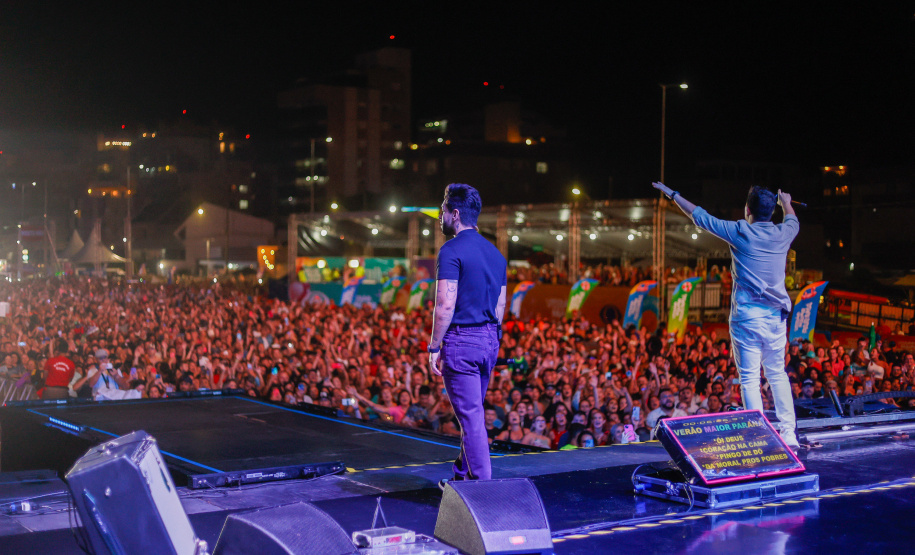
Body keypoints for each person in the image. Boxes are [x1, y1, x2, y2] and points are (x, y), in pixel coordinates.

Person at [652, 182, 801, 448]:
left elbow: (700, 216)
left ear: (747, 210)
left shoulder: (740, 231)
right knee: (777, 373)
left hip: (746, 318)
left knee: (749, 379)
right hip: (775, 319)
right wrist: (786, 202)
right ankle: (789, 434)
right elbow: (791, 217)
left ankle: (758, 435)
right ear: (772, 212)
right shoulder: (784, 233)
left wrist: (673, 194)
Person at [428, 183, 507, 483]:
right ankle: (461, 475)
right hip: (489, 340)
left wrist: (434, 346)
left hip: (462, 341)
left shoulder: (450, 251)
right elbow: (500, 305)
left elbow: (445, 305)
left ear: (455, 214)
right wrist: (491, 338)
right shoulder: (496, 254)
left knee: (472, 419)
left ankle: (483, 490)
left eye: (443, 210)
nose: (440, 216)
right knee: (471, 414)